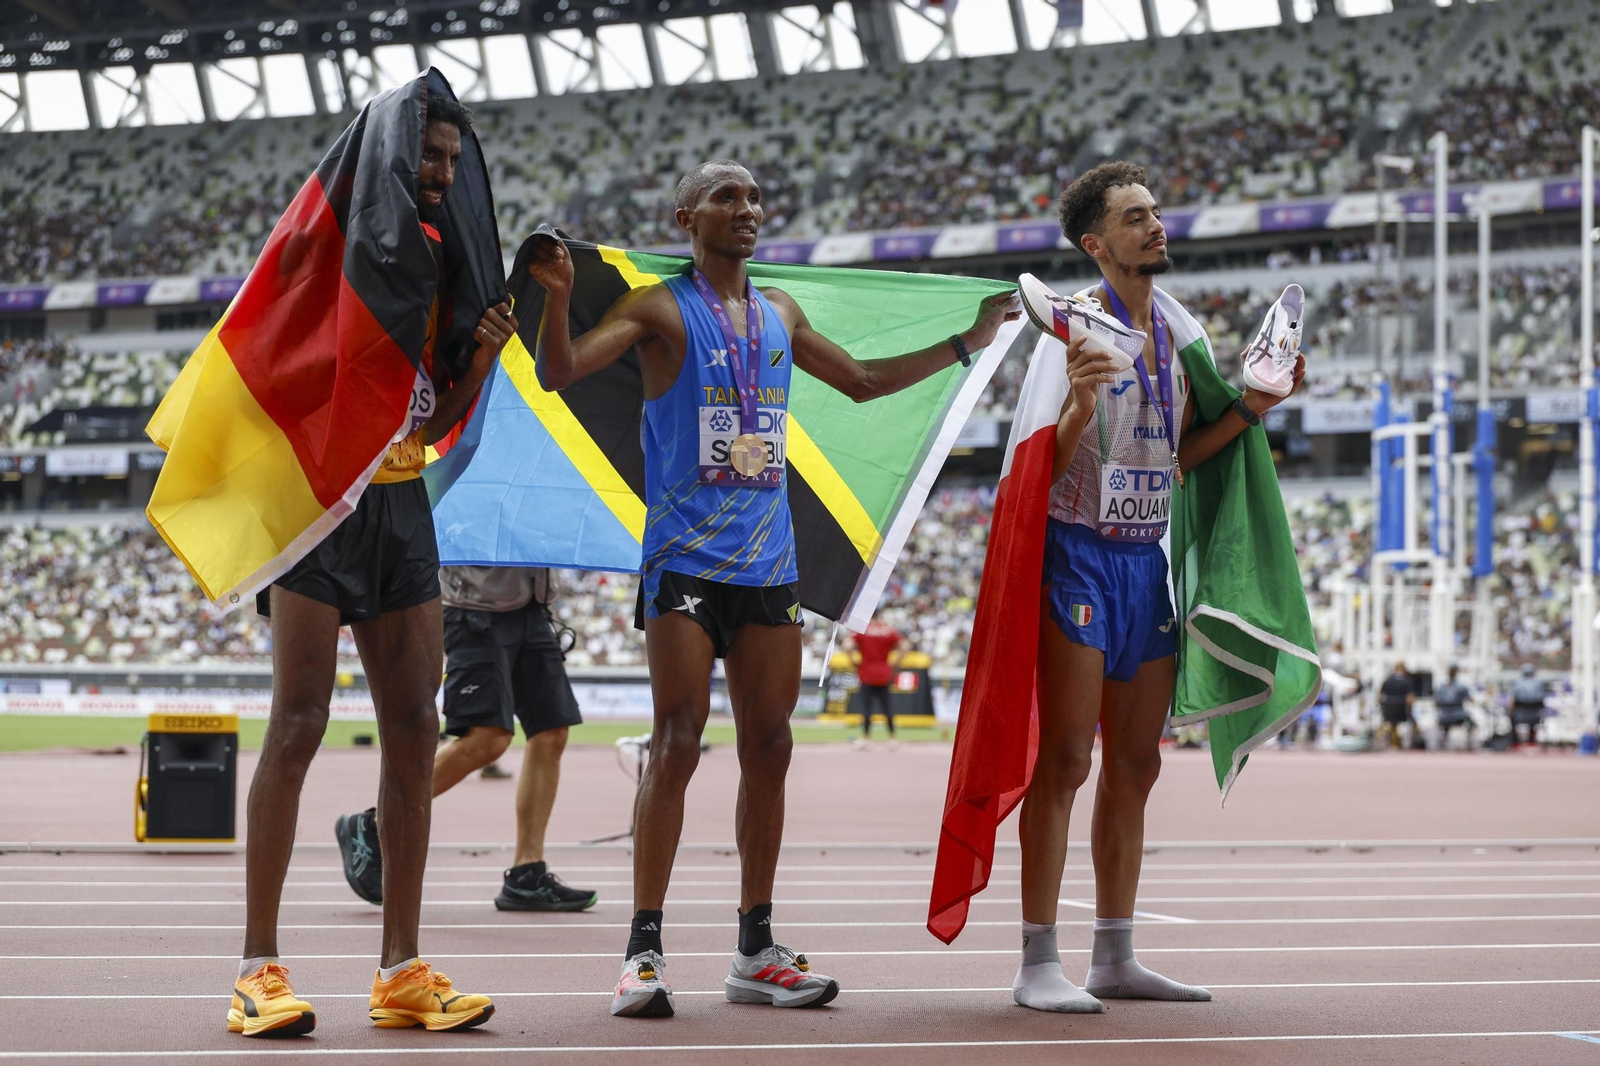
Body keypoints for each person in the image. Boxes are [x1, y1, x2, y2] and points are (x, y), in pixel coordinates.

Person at [526, 158, 1019, 1018]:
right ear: (687, 217)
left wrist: (965, 344)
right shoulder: (655, 309)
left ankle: (755, 948)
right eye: (727, 197)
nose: (747, 209)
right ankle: (643, 951)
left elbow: (861, 384)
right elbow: (558, 373)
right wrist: (561, 293)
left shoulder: (779, 312)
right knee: (676, 738)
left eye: (754, 197)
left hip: (768, 565)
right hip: (683, 560)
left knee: (772, 747)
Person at [229, 94, 515, 1039]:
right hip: (319, 505)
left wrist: (476, 358)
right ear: (391, 153)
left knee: (411, 728)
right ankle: (256, 970)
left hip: (398, 502)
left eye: (448, 159)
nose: (438, 173)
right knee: (300, 720)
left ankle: (399, 969)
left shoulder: (439, 258)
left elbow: (429, 426)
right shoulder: (329, 246)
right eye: (425, 156)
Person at [1012, 161, 1305, 1014]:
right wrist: (1073, 405)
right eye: (1135, 217)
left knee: (1136, 765)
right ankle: (1037, 960)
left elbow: (1177, 462)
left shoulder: (1179, 336)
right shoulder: (1070, 334)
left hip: (1146, 563)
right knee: (1066, 761)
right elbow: (1036, 476)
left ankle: (1115, 954)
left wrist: (1252, 408)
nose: (1155, 225)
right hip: (1077, 557)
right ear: (1097, 243)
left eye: (1156, 212)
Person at [336, 566, 597, 913]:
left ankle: (526, 875)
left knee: (551, 733)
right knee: (487, 739)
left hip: (533, 609)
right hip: (475, 611)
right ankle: (372, 824)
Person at [850, 619, 903, 747]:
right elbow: (904, 647)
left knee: (867, 707)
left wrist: (853, 661)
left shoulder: (863, 629)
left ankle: (866, 738)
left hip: (867, 673)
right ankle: (892, 738)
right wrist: (895, 663)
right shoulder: (888, 629)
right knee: (887, 707)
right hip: (884, 673)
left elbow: (847, 646)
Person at [1432, 665, 1474, 750]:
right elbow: (1470, 699)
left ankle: (1444, 738)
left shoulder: (1442, 686)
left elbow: (1436, 701)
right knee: (1471, 721)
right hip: (1457, 716)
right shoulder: (1461, 687)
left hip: (1443, 715)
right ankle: (1469, 742)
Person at [1378, 662, 1415, 751]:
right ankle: (1397, 743)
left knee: (1392, 725)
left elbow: (1379, 696)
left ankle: (1393, 742)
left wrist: (1382, 706)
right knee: (1406, 726)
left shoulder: (1388, 680)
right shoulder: (1406, 681)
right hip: (1401, 709)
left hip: (1389, 708)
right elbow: (1410, 698)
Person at [1508, 663, 1547, 747]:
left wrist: (1510, 710)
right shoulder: (1538, 683)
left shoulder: (1517, 683)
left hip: (1520, 716)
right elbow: (1542, 700)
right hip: (1536, 716)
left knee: (1510, 718)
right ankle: (1531, 740)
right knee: (1532, 720)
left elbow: (1512, 700)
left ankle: (1515, 742)